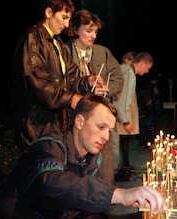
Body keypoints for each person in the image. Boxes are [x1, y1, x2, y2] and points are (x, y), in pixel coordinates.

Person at [0, 93, 166, 218]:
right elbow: (52, 183)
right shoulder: (49, 146)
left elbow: (92, 208)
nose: (106, 137)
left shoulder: (94, 159)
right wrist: (120, 195)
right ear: (79, 122)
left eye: (109, 131)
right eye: (101, 127)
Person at [12, 0, 105, 149]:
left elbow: (71, 76)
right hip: (37, 126)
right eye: (63, 17)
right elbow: (36, 83)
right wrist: (70, 98)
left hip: (56, 124)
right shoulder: (33, 38)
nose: (67, 25)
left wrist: (87, 81)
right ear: (48, 13)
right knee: (43, 168)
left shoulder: (57, 43)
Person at [65, 9, 124, 184]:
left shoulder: (102, 52)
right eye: (88, 30)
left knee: (102, 159)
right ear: (75, 29)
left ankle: (104, 195)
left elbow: (118, 78)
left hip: (99, 115)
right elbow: (61, 82)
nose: (93, 36)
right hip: (73, 114)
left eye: (95, 31)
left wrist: (106, 90)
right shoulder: (64, 51)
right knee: (75, 158)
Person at [113, 52, 154, 181]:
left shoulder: (123, 68)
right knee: (113, 146)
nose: (147, 72)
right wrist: (126, 121)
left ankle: (114, 172)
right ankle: (113, 176)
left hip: (110, 110)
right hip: (113, 112)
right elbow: (122, 100)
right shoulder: (129, 74)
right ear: (141, 63)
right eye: (147, 68)